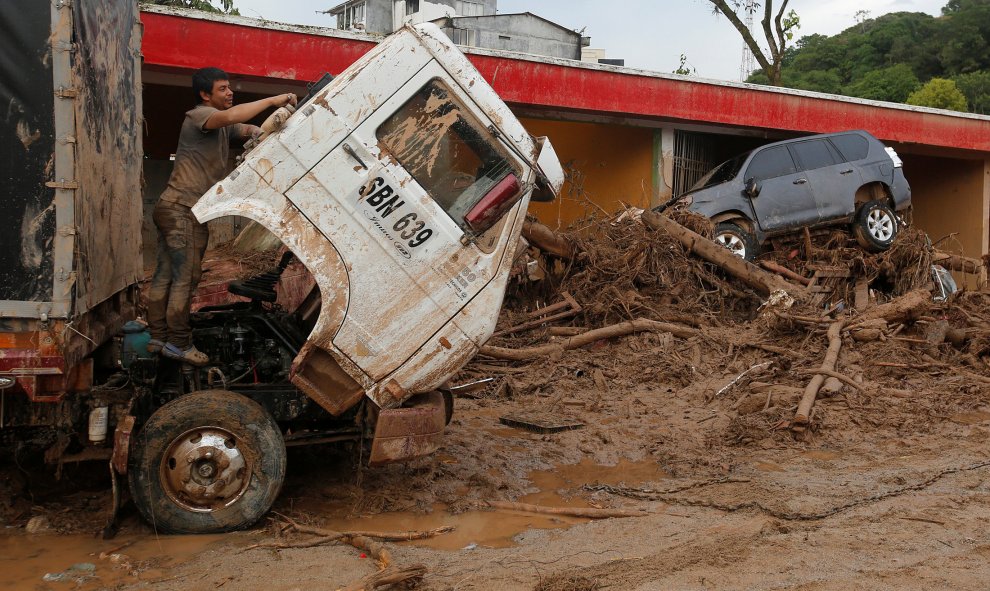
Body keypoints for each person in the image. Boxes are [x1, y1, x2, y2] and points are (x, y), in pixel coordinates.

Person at [147, 67, 297, 366]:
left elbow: (248, 130)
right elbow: (232, 117)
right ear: (205, 95)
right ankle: (179, 343)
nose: (230, 93)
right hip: (183, 211)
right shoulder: (199, 116)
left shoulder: (221, 128)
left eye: (230, 88)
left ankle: (158, 338)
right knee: (184, 280)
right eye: (223, 89)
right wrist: (273, 101)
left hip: (173, 207)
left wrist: (267, 128)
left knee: (165, 275)